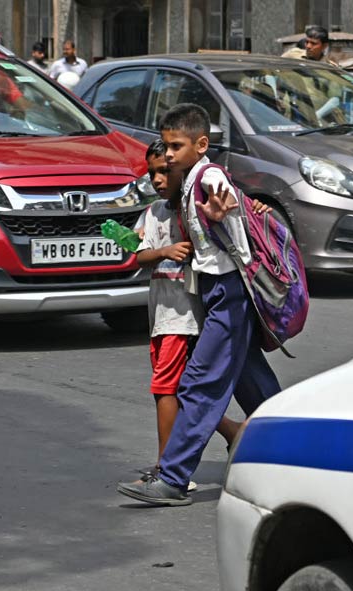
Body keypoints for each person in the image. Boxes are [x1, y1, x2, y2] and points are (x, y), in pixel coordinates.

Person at [117, 104, 281, 506]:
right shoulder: (196, 179)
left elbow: (229, 208)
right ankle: (295, 448)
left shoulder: (208, 177)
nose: (168, 155)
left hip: (229, 289)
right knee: (251, 380)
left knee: (200, 383)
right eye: (166, 146)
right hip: (218, 290)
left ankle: (172, 478)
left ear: (201, 144)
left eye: (176, 146)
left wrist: (222, 214)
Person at [131, 139, 245, 492]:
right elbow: (139, 252)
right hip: (162, 315)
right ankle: (235, 432)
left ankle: (167, 470)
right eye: (153, 173)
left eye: (166, 170)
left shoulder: (195, 206)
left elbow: (233, 207)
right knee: (185, 389)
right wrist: (154, 248)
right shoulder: (153, 213)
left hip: (187, 317)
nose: (159, 179)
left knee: (167, 388)